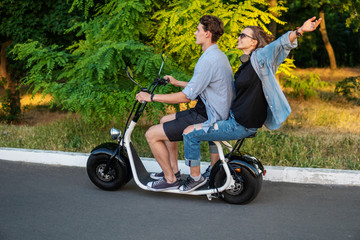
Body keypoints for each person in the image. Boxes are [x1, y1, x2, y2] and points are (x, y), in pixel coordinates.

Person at [180, 16, 322, 192]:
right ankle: (214, 170)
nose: (238, 37)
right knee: (210, 129)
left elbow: (279, 45)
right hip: (237, 119)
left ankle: (195, 180)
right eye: (239, 35)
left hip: (241, 124)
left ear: (254, 42)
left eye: (243, 35)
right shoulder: (245, 64)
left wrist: (299, 31)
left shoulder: (260, 58)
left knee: (189, 134)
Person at [135, 15, 234, 191]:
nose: (195, 33)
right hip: (207, 109)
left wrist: (151, 97)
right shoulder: (217, 55)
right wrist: (176, 82)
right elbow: (201, 86)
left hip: (207, 115)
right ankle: (173, 170)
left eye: (198, 30)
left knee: (151, 134)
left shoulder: (208, 60)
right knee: (165, 120)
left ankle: (169, 179)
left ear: (207, 34)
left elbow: (186, 97)